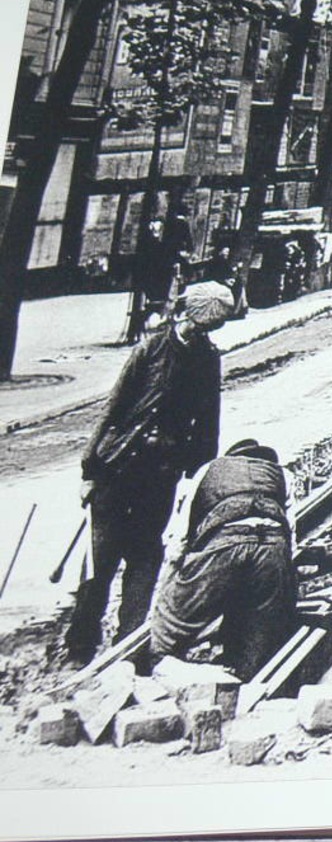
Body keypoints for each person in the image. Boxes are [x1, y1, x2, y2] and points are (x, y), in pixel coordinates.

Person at [67, 281, 231, 666]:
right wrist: (90, 469)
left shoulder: (208, 358)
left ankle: (129, 648)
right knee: (100, 559)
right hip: (117, 468)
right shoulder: (150, 348)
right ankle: (80, 646)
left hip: (160, 475)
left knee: (144, 559)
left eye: (205, 329)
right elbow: (114, 407)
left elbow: (209, 422)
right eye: (193, 324)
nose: (197, 332)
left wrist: (197, 475)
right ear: (183, 314)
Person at [148, 438, 296, 681]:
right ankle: (246, 679)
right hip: (272, 545)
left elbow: (179, 538)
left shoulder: (208, 470)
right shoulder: (282, 474)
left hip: (224, 541)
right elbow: (290, 534)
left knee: (170, 632)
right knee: (261, 634)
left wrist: (171, 590)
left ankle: (154, 675)